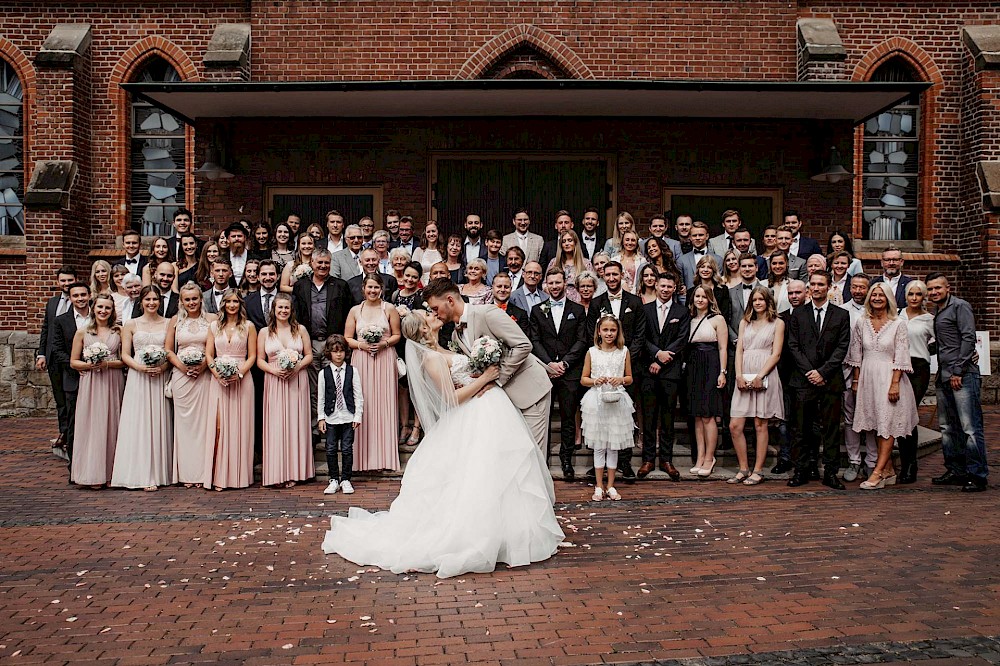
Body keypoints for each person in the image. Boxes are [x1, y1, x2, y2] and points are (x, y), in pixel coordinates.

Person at [322, 309, 563, 578]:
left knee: (498, 473)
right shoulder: (432, 359)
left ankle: (507, 533)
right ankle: (479, 535)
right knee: (477, 477)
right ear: (423, 329)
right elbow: (452, 398)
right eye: (428, 314)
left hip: (491, 410)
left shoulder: (446, 347)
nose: (433, 314)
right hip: (473, 414)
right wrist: (485, 378)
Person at [424, 278, 553, 453]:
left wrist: (497, 378)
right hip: (501, 401)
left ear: (450, 300)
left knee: (532, 454)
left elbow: (523, 345)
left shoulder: (488, 313)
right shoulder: (456, 335)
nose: (435, 313)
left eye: (435, 308)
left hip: (528, 391)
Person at [845, 282, 918, 490]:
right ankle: (888, 470)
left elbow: (901, 355)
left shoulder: (898, 324)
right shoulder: (861, 322)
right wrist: (857, 380)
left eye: (881, 295)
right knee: (877, 424)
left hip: (889, 378)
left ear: (888, 299)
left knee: (887, 425)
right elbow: (856, 354)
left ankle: (876, 473)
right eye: (874, 295)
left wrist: (895, 384)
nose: (877, 298)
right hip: (868, 377)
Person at [786, 271, 852, 489]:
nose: (816, 288)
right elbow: (793, 346)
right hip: (803, 381)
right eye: (812, 284)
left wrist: (823, 372)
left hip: (830, 380)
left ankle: (831, 473)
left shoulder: (841, 315)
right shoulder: (798, 314)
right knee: (801, 429)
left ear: (829, 286)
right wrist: (810, 372)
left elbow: (842, 347)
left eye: (820, 284)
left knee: (831, 429)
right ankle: (801, 470)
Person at [927, 273, 988, 492]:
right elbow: (944, 344)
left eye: (938, 288)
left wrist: (958, 370)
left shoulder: (960, 306)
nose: (934, 292)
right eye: (931, 289)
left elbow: (968, 338)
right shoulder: (938, 311)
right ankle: (956, 470)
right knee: (947, 427)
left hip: (961, 375)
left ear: (948, 288)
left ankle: (977, 474)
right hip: (944, 375)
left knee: (970, 427)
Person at [586, 260, 646, 481]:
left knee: (624, 418)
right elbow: (589, 332)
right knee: (602, 418)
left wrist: (625, 355)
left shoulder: (635, 302)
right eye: (608, 275)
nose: (611, 278)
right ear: (603, 277)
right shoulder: (596, 303)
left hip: (626, 364)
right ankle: (599, 464)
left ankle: (625, 462)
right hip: (603, 363)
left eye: (615, 274)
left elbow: (640, 333)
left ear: (622, 275)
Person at [111, 286, 174, 491]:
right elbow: (125, 354)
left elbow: (170, 352)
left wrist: (162, 367)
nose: (152, 303)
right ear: (142, 302)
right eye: (148, 299)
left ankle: (157, 472)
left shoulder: (168, 323)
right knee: (138, 422)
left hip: (158, 376)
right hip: (138, 377)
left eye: (155, 299)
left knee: (157, 421)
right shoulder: (131, 324)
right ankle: (137, 472)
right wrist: (139, 367)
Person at [529, 268, 589, 480]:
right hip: (544, 373)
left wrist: (564, 363)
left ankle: (566, 460)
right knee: (542, 418)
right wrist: (548, 364)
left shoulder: (578, 310)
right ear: (546, 285)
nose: (554, 286)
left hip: (569, 372)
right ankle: (541, 460)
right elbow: (534, 340)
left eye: (558, 282)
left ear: (565, 284)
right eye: (551, 283)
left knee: (567, 418)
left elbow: (582, 340)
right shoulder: (537, 310)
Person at [728, 286, 785, 485]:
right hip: (744, 373)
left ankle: (758, 470)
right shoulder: (745, 322)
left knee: (761, 424)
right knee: (735, 425)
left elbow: (776, 353)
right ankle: (743, 468)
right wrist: (738, 375)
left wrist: (761, 375)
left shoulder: (778, 323)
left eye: (761, 299)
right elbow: (740, 351)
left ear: (769, 301)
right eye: (754, 300)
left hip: (765, 373)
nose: (758, 303)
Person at [345, 274, 402, 472]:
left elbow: (397, 335)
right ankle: (362, 460)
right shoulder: (354, 310)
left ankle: (384, 458)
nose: (373, 291)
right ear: (363, 288)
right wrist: (362, 345)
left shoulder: (390, 309)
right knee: (363, 404)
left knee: (385, 405)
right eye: (369, 287)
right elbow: (347, 338)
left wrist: (383, 343)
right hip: (361, 360)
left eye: (376, 287)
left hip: (385, 359)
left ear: (381, 289)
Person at [68, 294, 125, 488]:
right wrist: (88, 365)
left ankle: (111, 473)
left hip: (112, 381)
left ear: (112, 311)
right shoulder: (83, 332)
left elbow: (124, 360)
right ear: (93, 308)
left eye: (107, 308)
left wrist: (107, 364)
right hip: (91, 382)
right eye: (100, 307)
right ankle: (92, 473)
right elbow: (73, 361)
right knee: (92, 425)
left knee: (112, 423)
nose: (103, 311)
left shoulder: (119, 331)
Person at [257, 293, 314, 488]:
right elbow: (259, 360)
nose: (283, 311)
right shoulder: (265, 332)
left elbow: (308, 356)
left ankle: (296, 471)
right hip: (274, 381)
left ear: (291, 310)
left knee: (295, 423)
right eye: (280, 307)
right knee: (277, 425)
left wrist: (296, 367)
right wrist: (274, 371)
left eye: (286, 308)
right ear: (274, 309)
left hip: (297, 380)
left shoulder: (300, 330)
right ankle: (277, 472)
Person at [205, 288, 257, 490]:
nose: (232, 305)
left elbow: (251, 356)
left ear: (240, 304)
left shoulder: (248, 326)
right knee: (219, 427)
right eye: (228, 302)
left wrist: (239, 374)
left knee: (240, 427)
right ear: (223, 304)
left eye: (235, 301)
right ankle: (219, 476)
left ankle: (239, 476)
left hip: (242, 380)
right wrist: (217, 373)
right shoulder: (214, 326)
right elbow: (209, 354)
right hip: (218, 380)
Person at [164, 282, 215, 487]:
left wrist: (203, 365)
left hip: (204, 376)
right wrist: (183, 367)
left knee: (205, 425)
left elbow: (215, 349)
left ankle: (203, 473)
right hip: (182, 377)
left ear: (201, 299)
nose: (192, 302)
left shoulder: (211, 320)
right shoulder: (175, 321)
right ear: (182, 302)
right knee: (184, 427)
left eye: (195, 298)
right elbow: (168, 350)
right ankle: (186, 474)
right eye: (187, 299)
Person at [639, 273, 688, 480]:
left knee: (667, 417)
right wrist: (655, 355)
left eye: (670, 286)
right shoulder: (645, 309)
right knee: (649, 416)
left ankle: (666, 459)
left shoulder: (682, 311)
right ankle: (648, 459)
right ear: (656, 286)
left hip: (670, 371)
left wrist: (662, 359)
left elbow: (682, 338)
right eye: (663, 286)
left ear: (674, 288)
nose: (666, 289)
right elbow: (640, 337)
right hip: (648, 369)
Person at [580, 314, 634, 501]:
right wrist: (596, 380)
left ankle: (611, 485)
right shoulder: (591, 352)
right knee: (599, 445)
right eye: (606, 330)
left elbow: (629, 378)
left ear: (617, 331)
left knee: (613, 445)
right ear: (599, 332)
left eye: (613, 330)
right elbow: (584, 379)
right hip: (597, 401)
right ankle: (598, 485)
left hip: (617, 400)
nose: (609, 333)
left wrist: (620, 379)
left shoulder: (623, 351)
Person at [685, 284, 728, 479]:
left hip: (711, 365)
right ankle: (700, 457)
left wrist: (722, 372)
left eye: (703, 296)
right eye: (697, 296)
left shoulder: (718, 319)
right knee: (697, 415)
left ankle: (710, 458)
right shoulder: (690, 319)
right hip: (694, 366)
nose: (700, 299)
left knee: (708, 415)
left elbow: (723, 348)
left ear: (710, 299)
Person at [838, 272, 877, 482]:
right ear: (850, 288)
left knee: (870, 417)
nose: (858, 291)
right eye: (855, 287)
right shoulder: (843, 311)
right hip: (847, 371)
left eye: (862, 287)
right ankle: (854, 460)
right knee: (850, 418)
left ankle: (872, 461)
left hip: (871, 371)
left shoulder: (877, 311)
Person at [37, 266, 78, 458]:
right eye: (63, 281)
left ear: (75, 280)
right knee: (60, 398)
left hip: (72, 359)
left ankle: (71, 435)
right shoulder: (52, 303)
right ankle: (63, 432)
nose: (67, 284)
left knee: (71, 399)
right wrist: (42, 354)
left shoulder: (81, 300)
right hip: (53, 358)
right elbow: (46, 328)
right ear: (58, 282)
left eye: (70, 280)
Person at [51, 282, 92, 471]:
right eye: (76, 296)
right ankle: (75, 466)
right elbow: (57, 350)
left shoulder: (100, 316)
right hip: (73, 378)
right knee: (74, 424)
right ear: (70, 298)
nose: (80, 299)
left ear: (90, 295)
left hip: (99, 377)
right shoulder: (61, 321)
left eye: (83, 295)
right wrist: (76, 364)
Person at [897, 280, 934, 484]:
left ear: (923, 297)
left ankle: (910, 465)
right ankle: (904, 461)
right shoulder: (897, 314)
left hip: (918, 368)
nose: (913, 298)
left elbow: (942, 341)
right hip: (897, 367)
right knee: (899, 414)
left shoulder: (929, 319)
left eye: (918, 294)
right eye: (910, 294)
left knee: (909, 415)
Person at [318, 334, 364, 495]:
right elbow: (321, 397)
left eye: (341, 351)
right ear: (329, 352)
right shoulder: (323, 373)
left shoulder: (353, 371)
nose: (338, 354)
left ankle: (346, 479)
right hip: (331, 417)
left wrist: (357, 416)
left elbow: (358, 395)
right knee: (330, 449)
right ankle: (333, 479)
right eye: (335, 351)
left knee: (346, 449)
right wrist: (321, 418)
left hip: (348, 416)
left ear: (346, 352)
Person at [771, 279, 808, 475]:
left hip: (805, 377)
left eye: (798, 293)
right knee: (784, 422)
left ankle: (806, 460)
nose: (794, 296)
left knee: (805, 423)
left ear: (806, 293)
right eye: (791, 293)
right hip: (784, 376)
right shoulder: (780, 318)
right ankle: (785, 458)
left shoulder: (811, 315)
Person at [391, 261, 426, 446]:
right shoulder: (396, 295)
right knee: (402, 388)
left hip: (416, 345)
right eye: (407, 275)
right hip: (399, 346)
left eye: (414, 276)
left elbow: (424, 322)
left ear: (419, 279)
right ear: (402, 276)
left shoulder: (421, 296)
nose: (410, 279)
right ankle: (404, 425)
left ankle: (417, 427)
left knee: (417, 387)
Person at [678, 221, 722, 291]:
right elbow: (680, 287)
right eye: (694, 235)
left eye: (701, 235)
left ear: (707, 236)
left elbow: (719, 285)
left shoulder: (718, 260)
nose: (697, 238)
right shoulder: (682, 260)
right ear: (690, 237)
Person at [492, 271, 530, 337]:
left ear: (511, 289)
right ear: (492, 288)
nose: (503, 290)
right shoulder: (483, 312)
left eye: (506, 287)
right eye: (499, 286)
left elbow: (524, 339)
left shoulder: (521, 314)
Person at [612, 230, 642, 294]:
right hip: (617, 294)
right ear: (622, 242)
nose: (630, 243)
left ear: (637, 243)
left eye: (633, 240)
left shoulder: (641, 261)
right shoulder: (614, 260)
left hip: (636, 295)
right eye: (627, 240)